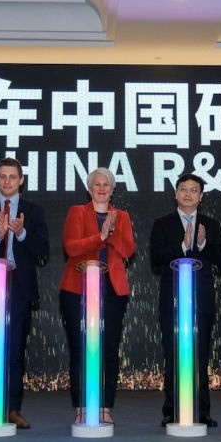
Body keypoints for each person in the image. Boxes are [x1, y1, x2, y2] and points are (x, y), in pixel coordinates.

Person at [0, 157, 50, 429]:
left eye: (12, 176)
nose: (7, 181)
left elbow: (43, 250)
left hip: (19, 288)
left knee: (14, 351)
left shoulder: (33, 211)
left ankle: (13, 409)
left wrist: (22, 233)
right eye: (2, 176)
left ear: (21, 180)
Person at [58, 167, 136, 425]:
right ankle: (81, 406)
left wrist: (111, 235)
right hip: (77, 290)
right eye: (97, 184)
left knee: (109, 348)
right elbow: (71, 247)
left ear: (112, 190)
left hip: (112, 291)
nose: (101, 188)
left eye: (106, 185)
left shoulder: (121, 216)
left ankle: (105, 406)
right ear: (89, 189)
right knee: (81, 348)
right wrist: (100, 236)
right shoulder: (77, 212)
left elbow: (128, 250)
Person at [150, 173, 221, 427]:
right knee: (174, 355)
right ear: (176, 194)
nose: (188, 194)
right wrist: (182, 248)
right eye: (183, 189)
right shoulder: (162, 224)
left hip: (201, 299)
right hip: (173, 300)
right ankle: (171, 410)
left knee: (200, 356)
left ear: (201, 196)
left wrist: (202, 245)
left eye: (194, 190)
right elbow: (156, 259)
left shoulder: (211, 224)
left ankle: (202, 411)